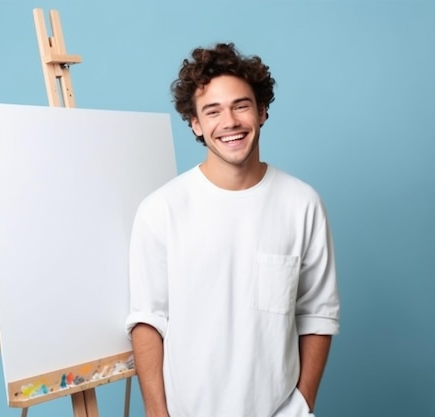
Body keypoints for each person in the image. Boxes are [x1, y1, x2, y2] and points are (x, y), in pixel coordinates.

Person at [125, 42, 340, 417]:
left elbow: (318, 313)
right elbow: (148, 319)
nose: (230, 122)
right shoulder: (161, 210)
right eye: (212, 111)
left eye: (241, 105)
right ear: (195, 123)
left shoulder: (302, 203)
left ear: (262, 111)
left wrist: (302, 404)